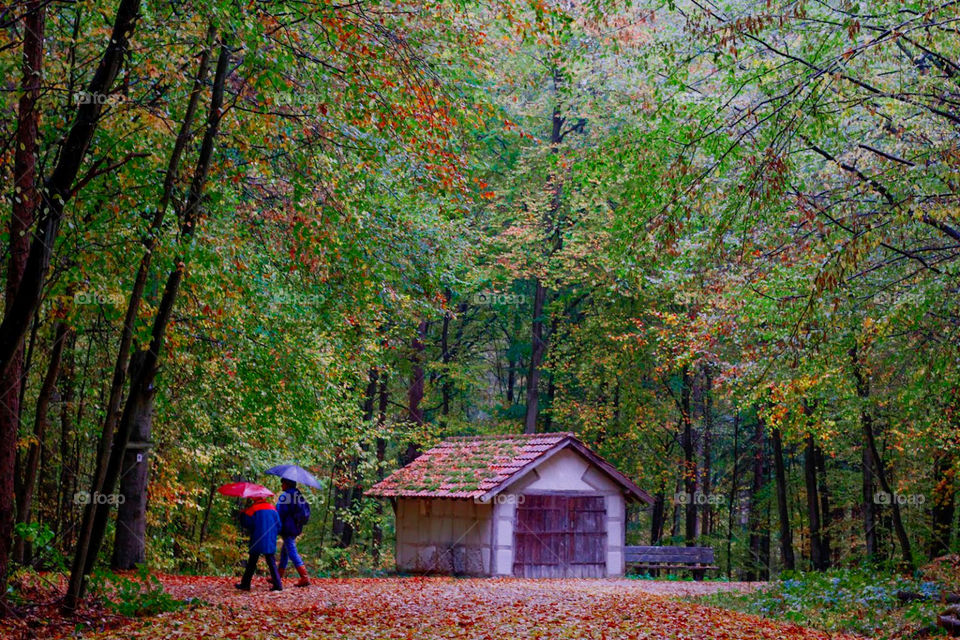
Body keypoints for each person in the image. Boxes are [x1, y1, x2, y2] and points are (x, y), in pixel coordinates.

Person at [235, 496, 282, 591]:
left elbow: (247, 524)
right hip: (270, 539)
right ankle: (278, 584)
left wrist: (242, 514)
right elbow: (279, 526)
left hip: (257, 538)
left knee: (252, 562)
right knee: (271, 562)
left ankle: (245, 584)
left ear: (255, 498)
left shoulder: (253, 509)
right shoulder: (273, 508)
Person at [276, 478, 311, 587]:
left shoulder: (285, 496)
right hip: (296, 527)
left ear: (286, 484)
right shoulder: (298, 495)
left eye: (282, 483)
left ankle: (304, 577)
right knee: (285, 551)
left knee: (291, 550)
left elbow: (280, 512)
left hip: (287, 527)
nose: (281, 485)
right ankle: (277, 576)